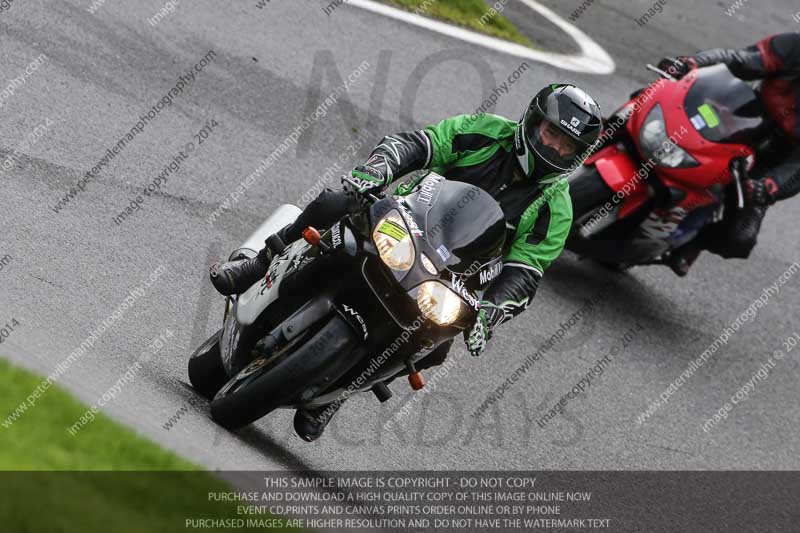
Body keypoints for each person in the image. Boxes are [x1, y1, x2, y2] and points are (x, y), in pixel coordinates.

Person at [210, 84, 603, 440]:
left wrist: (490, 313)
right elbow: (422, 144)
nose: (553, 148)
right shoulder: (486, 131)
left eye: (566, 146)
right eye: (551, 134)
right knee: (335, 203)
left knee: (437, 348)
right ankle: (261, 262)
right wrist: (376, 170)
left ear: (576, 155)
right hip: (403, 221)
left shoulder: (557, 208)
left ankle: (338, 391)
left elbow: (525, 272)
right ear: (532, 122)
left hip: (453, 279)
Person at [657, 33, 800, 275]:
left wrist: (768, 187)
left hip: (772, 160)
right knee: (661, 97)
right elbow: (736, 59)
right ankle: (605, 138)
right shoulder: (794, 46)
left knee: (739, 239)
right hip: (741, 115)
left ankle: (695, 242)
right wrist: (692, 63)